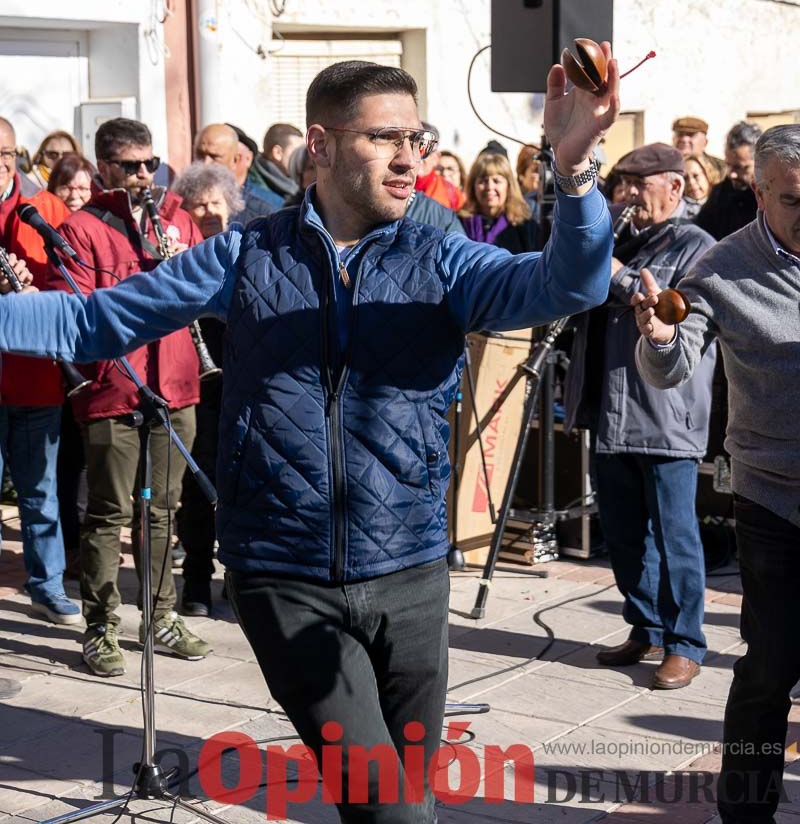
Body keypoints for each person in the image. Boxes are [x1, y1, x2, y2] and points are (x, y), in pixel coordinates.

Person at [0, 54, 618, 822]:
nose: (407, 157)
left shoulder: (443, 258)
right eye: (383, 138)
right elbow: (93, 322)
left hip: (414, 572)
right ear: (320, 148)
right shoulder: (247, 255)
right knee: (391, 809)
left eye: (415, 138)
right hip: (285, 575)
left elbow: (572, 284)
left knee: (406, 797)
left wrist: (576, 171)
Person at [634, 124, 800, 823]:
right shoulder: (720, 269)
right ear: (759, 193)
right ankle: (745, 811)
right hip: (775, 500)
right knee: (771, 668)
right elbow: (673, 367)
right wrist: (660, 339)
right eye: (795, 199)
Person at [47, 118, 210, 677]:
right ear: (104, 169)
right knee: (108, 514)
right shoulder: (81, 229)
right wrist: (149, 282)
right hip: (114, 385)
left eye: (151, 164)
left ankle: (161, 616)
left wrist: (182, 269)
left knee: (164, 510)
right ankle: (101, 626)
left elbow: (206, 289)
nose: (145, 175)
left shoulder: (178, 220)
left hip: (176, 382)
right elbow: (81, 314)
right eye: (131, 165)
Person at [564, 142, 716, 689]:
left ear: (674, 187)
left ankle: (687, 642)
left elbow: (675, 307)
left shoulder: (700, 247)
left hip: (666, 416)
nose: (624, 194)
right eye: (620, 182)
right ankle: (644, 625)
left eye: (637, 183)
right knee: (625, 534)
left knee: (676, 537)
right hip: (611, 411)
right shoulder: (618, 241)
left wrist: (620, 275)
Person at [0, 118, 80, 625]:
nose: (1, 163)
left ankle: (47, 585)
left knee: (39, 488)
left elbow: (72, 283)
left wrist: (33, 290)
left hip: (33, 374)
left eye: (6, 151)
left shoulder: (44, 208)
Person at [171, 162, 243, 615]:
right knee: (197, 488)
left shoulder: (244, 247)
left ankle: (237, 578)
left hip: (238, 381)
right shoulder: (178, 255)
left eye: (217, 203)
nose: (210, 211)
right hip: (192, 385)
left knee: (239, 485)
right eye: (200, 204)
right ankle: (196, 578)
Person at [48, 152, 98, 579]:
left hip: (94, 365)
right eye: (69, 188)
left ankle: (86, 543)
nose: (78, 196)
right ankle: (70, 546)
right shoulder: (48, 230)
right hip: (56, 369)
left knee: (85, 460)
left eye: (85, 187)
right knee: (69, 462)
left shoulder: (93, 230)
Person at [194, 123, 275, 225]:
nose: (205, 163)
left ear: (235, 160)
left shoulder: (263, 211)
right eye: (200, 154)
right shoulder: (184, 204)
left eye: (214, 157)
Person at [695, 120, 762, 241]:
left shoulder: (772, 199)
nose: (732, 174)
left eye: (740, 167)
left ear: (759, 162)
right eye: (728, 165)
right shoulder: (720, 193)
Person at [460, 150, 531, 244]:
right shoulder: (460, 223)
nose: (490, 187)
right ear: (473, 186)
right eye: (483, 181)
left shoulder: (524, 225)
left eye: (496, 181)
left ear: (509, 186)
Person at [248, 122, 304, 204]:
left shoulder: (296, 182)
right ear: (277, 153)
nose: (303, 157)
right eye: (297, 152)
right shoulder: (254, 188)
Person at [414, 124, 465, 212]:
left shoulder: (452, 193)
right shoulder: (395, 185)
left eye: (425, 150)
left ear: (436, 157)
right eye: (414, 149)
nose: (418, 157)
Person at [683, 152, 723, 219]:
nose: (691, 182)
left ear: (708, 175)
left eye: (696, 176)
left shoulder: (723, 205)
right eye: (685, 178)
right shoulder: (676, 212)